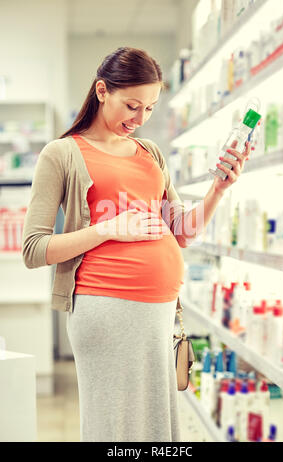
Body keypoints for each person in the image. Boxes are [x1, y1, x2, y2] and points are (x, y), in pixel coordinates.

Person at [22, 47, 251, 442]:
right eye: (132, 105)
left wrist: (218, 189)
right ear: (101, 91)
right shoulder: (62, 154)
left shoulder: (151, 153)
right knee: (117, 429)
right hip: (106, 307)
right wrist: (108, 229)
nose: (140, 118)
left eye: (149, 109)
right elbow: (33, 248)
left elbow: (182, 231)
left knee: (156, 429)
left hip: (159, 311)